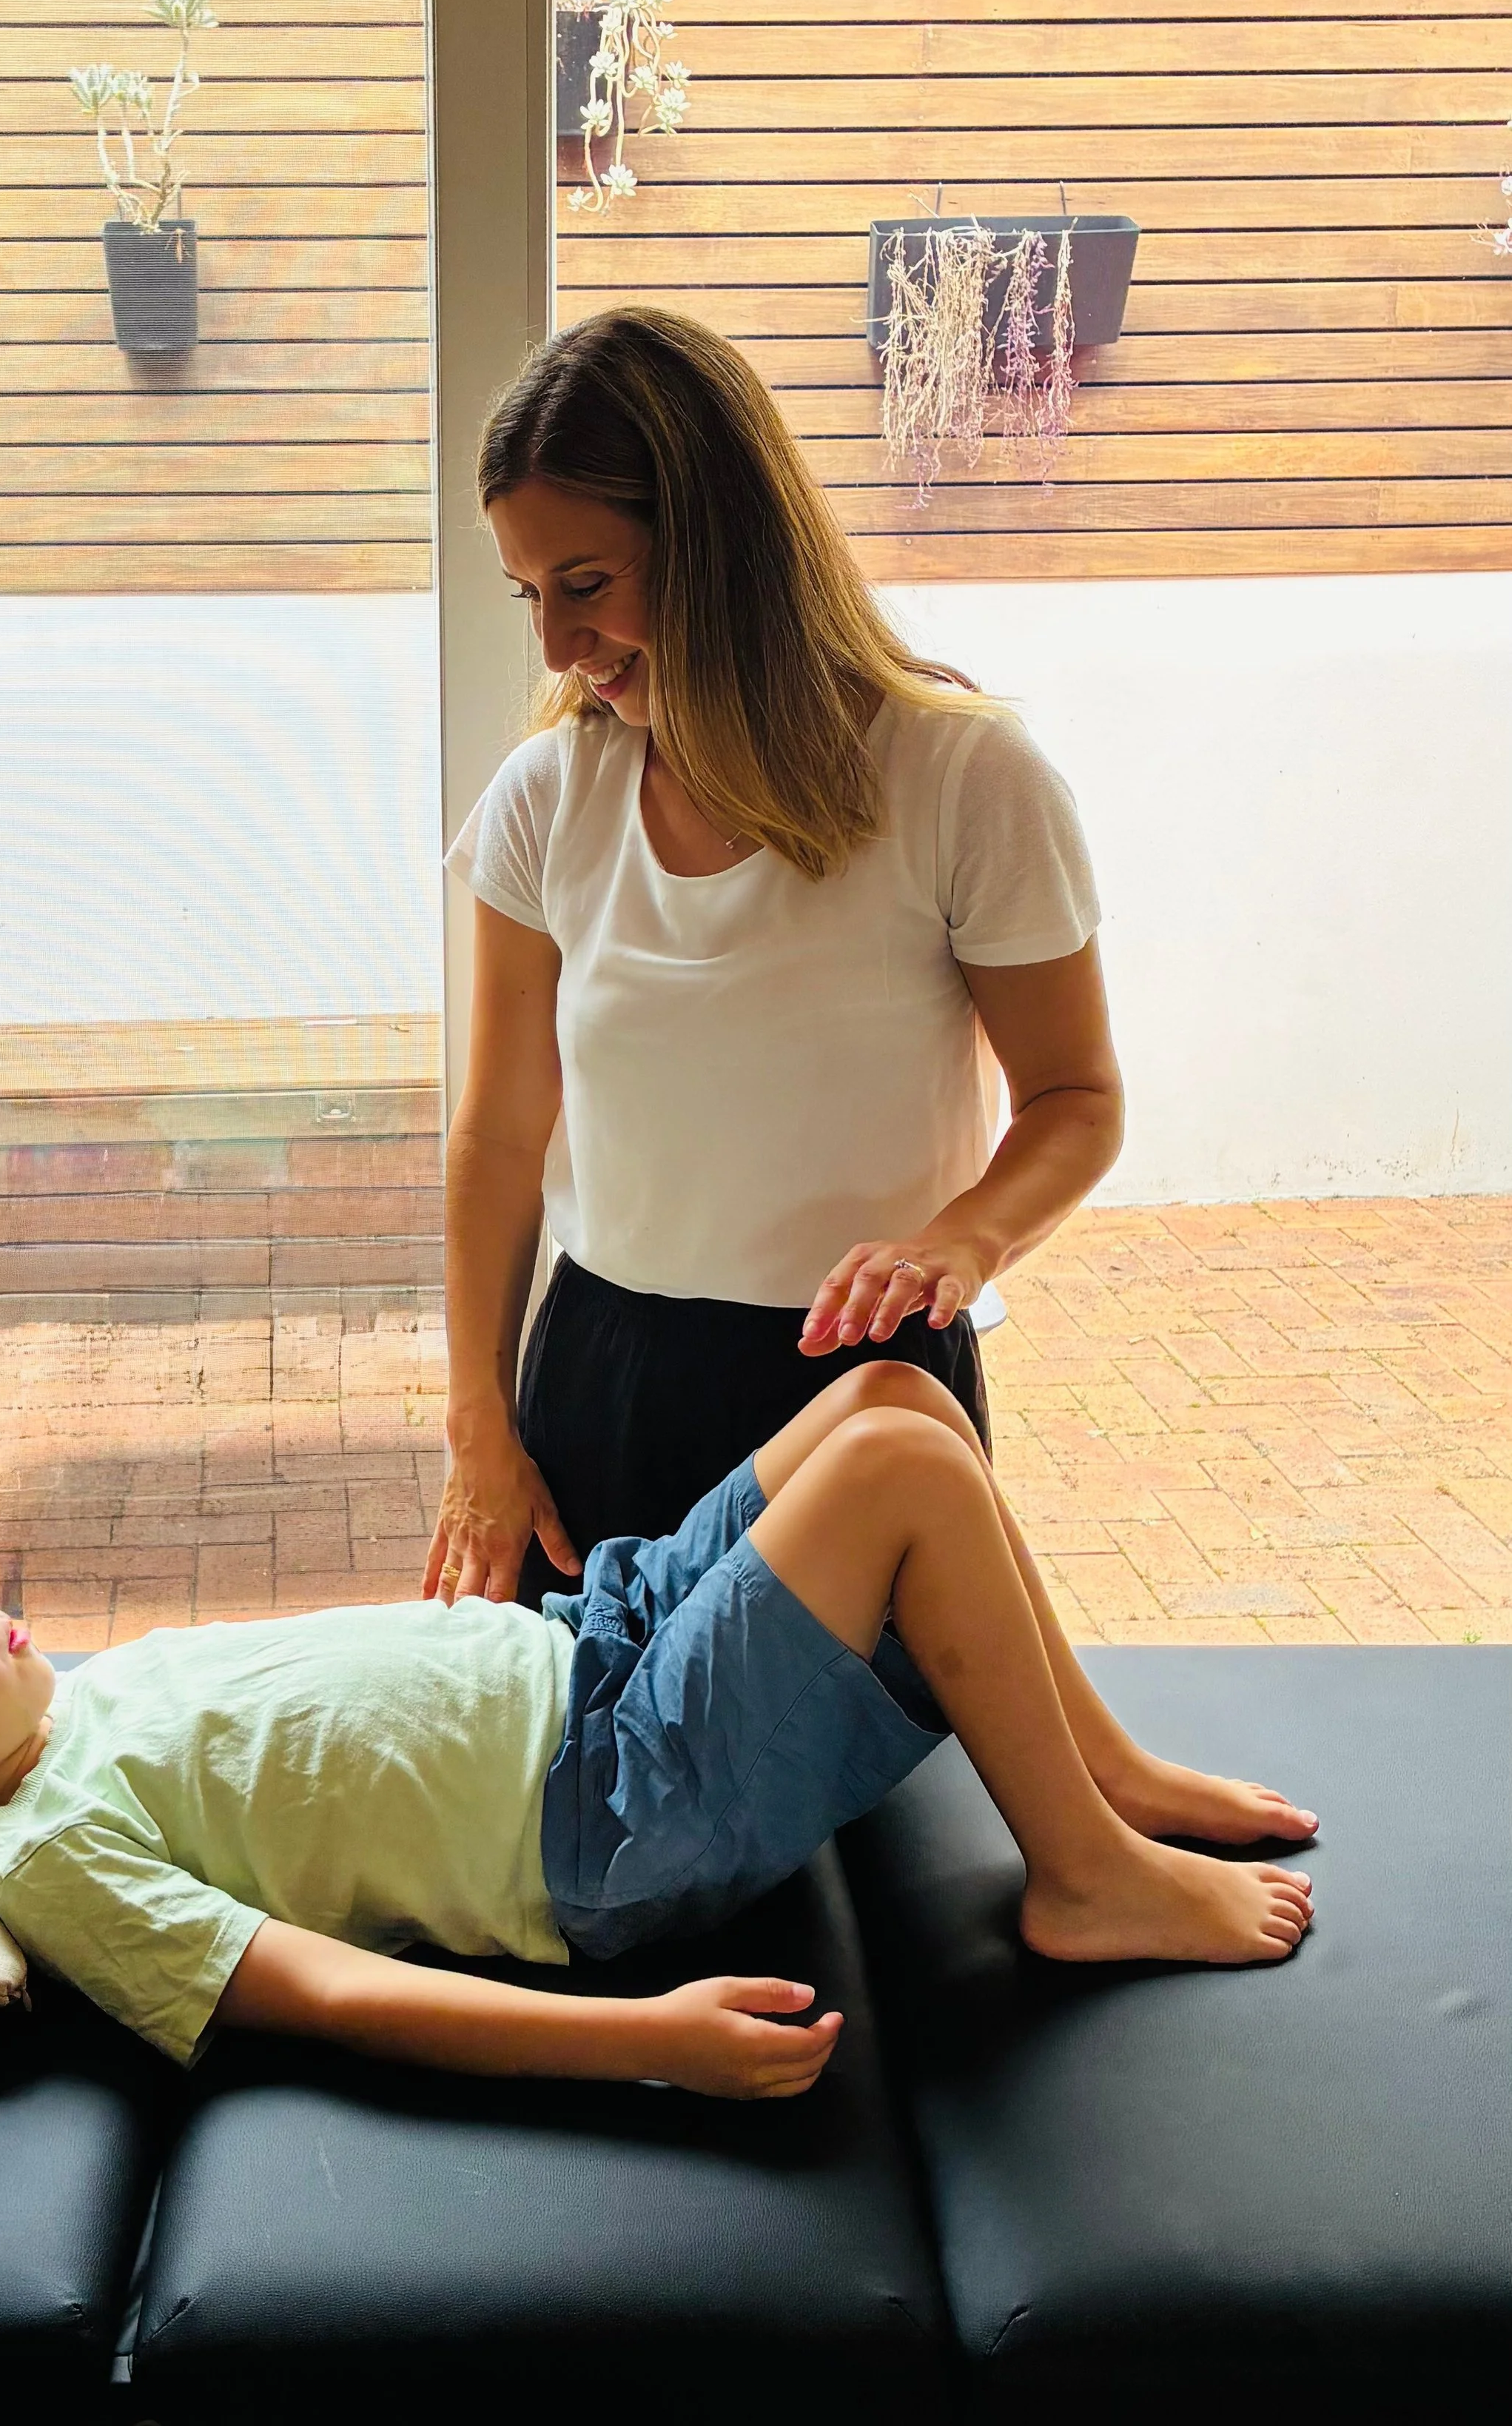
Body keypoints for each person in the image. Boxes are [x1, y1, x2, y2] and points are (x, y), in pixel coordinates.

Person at [0, 1366, 1315, 2085]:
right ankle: (1081, 1875)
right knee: (899, 1477)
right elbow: (328, 1992)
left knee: (896, 1397)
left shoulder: (60, 1707)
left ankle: (1100, 1770)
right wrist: (646, 2040)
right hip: (611, 1808)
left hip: (586, 1648)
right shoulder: (43, 1850)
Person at [433, 304, 1124, 1611]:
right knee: (592, 1743)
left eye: (587, 585)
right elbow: (501, 1136)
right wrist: (482, 1426)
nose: (556, 649)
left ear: (721, 547)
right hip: (597, 1381)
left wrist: (965, 1241)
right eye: (529, 594)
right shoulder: (546, 799)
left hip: (863, 1386)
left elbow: (1076, 1099)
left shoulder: (965, 776)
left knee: (861, 1747)